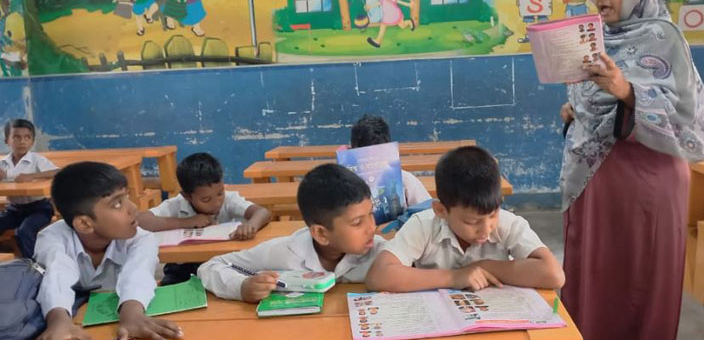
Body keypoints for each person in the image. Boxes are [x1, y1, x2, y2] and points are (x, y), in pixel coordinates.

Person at [560, 0, 704, 340]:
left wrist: (627, 91)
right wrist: (575, 110)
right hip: (597, 179)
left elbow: (685, 112)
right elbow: (589, 99)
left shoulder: (664, 38)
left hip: (648, 179)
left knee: (642, 274)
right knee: (597, 270)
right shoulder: (594, 39)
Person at [366, 146, 564, 292]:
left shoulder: (508, 223)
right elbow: (379, 276)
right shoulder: (423, 225)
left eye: (493, 215)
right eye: (472, 222)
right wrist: (455, 277)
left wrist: (482, 266)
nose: (486, 229)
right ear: (441, 210)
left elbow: (554, 275)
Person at [35, 162, 183, 340]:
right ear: (85, 223)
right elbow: (57, 274)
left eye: (127, 196)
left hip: (108, 322)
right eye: (118, 203)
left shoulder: (142, 239)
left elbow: (139, 275)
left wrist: (132, 315)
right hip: (74, 320)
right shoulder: (52, 238)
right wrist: (59, 321)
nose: (133, 208)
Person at [198, 164, 385, 303]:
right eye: (357, 222)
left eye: (371, 214)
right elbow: (210, 266)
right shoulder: (283, 253)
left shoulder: (380, 252)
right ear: (321, 234)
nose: (372, 227)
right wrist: (241, 287)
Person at [137, 152, 271, 285]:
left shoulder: (230, 200)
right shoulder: (177, 204)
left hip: (223, 261)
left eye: (220, 193)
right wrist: (187, 222)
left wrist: (251, 225)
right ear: (187, 196)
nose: (216, 203)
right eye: (206, 199)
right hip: (184, 266)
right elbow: (141, 221)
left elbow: (262, 212)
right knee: (174, 288)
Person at [0, 119, 58, 258]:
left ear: (32, 141)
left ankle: (33, 265)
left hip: (38, 209)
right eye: (16, 137)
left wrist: (32, 176)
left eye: (27, 137)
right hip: (13, 209)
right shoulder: (3, 163)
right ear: (7, 140)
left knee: (24, 231)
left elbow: (57, 172)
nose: (22, 141)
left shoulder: (37, 160)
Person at [350, 114, 431, 206]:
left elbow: (427, 210)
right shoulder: (345, 185)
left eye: (378, 154)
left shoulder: (405, 180)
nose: (371, 163)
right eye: (365, 156)